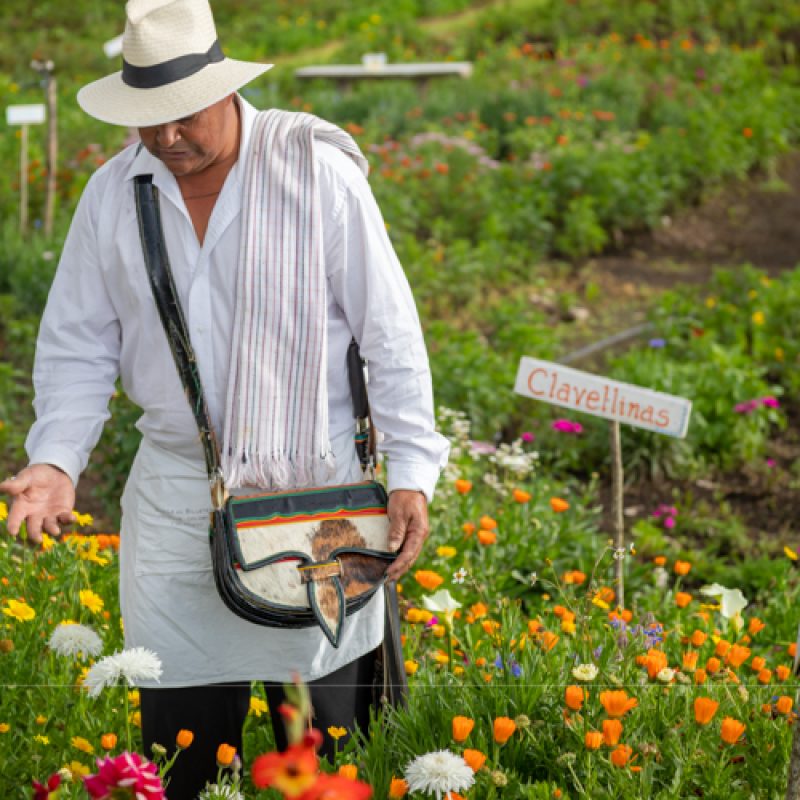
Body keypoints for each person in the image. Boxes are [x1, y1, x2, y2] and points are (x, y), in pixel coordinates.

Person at [0, 1, 449, 797]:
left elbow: (391, 338)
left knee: (325, 751)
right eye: (148, 120)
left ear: (224, 88)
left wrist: (412, 469)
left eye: (183, 116)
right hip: (179, 495)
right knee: (181, 750)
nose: (166, 137)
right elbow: (78, 346)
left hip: (319, 494)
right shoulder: (114, 195)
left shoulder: (316, 173)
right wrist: (56, 460)